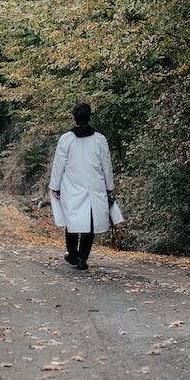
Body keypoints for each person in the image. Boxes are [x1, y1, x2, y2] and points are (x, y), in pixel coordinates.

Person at [49, 101, 116, 271]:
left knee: (73, 223)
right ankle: (82, 259)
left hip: (72, 187)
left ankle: (73, 254)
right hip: (94, 187)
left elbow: (59, 165)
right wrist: (109, 187)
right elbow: (106, 165)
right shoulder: (100, 139)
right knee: (89, 225)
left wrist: (55, 186)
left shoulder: (66, 139)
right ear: (89, 116)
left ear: (74, 117)